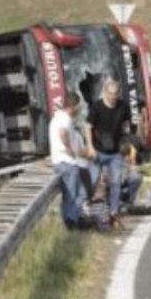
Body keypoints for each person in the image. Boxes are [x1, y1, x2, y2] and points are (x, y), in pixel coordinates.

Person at [86, 80, 132, 225]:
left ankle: (114, 211)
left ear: (119, 94)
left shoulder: (123, 106)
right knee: (93, 180)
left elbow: (126, 125)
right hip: (98, 150)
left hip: (116, 152)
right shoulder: (97, 107)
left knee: (116, 182)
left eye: (115, 94)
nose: (112, 97)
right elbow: (87, 126)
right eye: (110, 94)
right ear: (105, 92)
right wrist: (90, 147)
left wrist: (126, 140)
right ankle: (86, 208)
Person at [49, 92, 87, 229]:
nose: (79, 109)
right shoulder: (65, 119)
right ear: (73, 106)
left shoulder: (57, 117)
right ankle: (70, 221)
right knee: (73, 194)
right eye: (78, 106)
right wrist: (69, 148)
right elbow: (62, 133)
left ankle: (71, 218)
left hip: (61, 162)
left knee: (77, 193)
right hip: (66, 162)